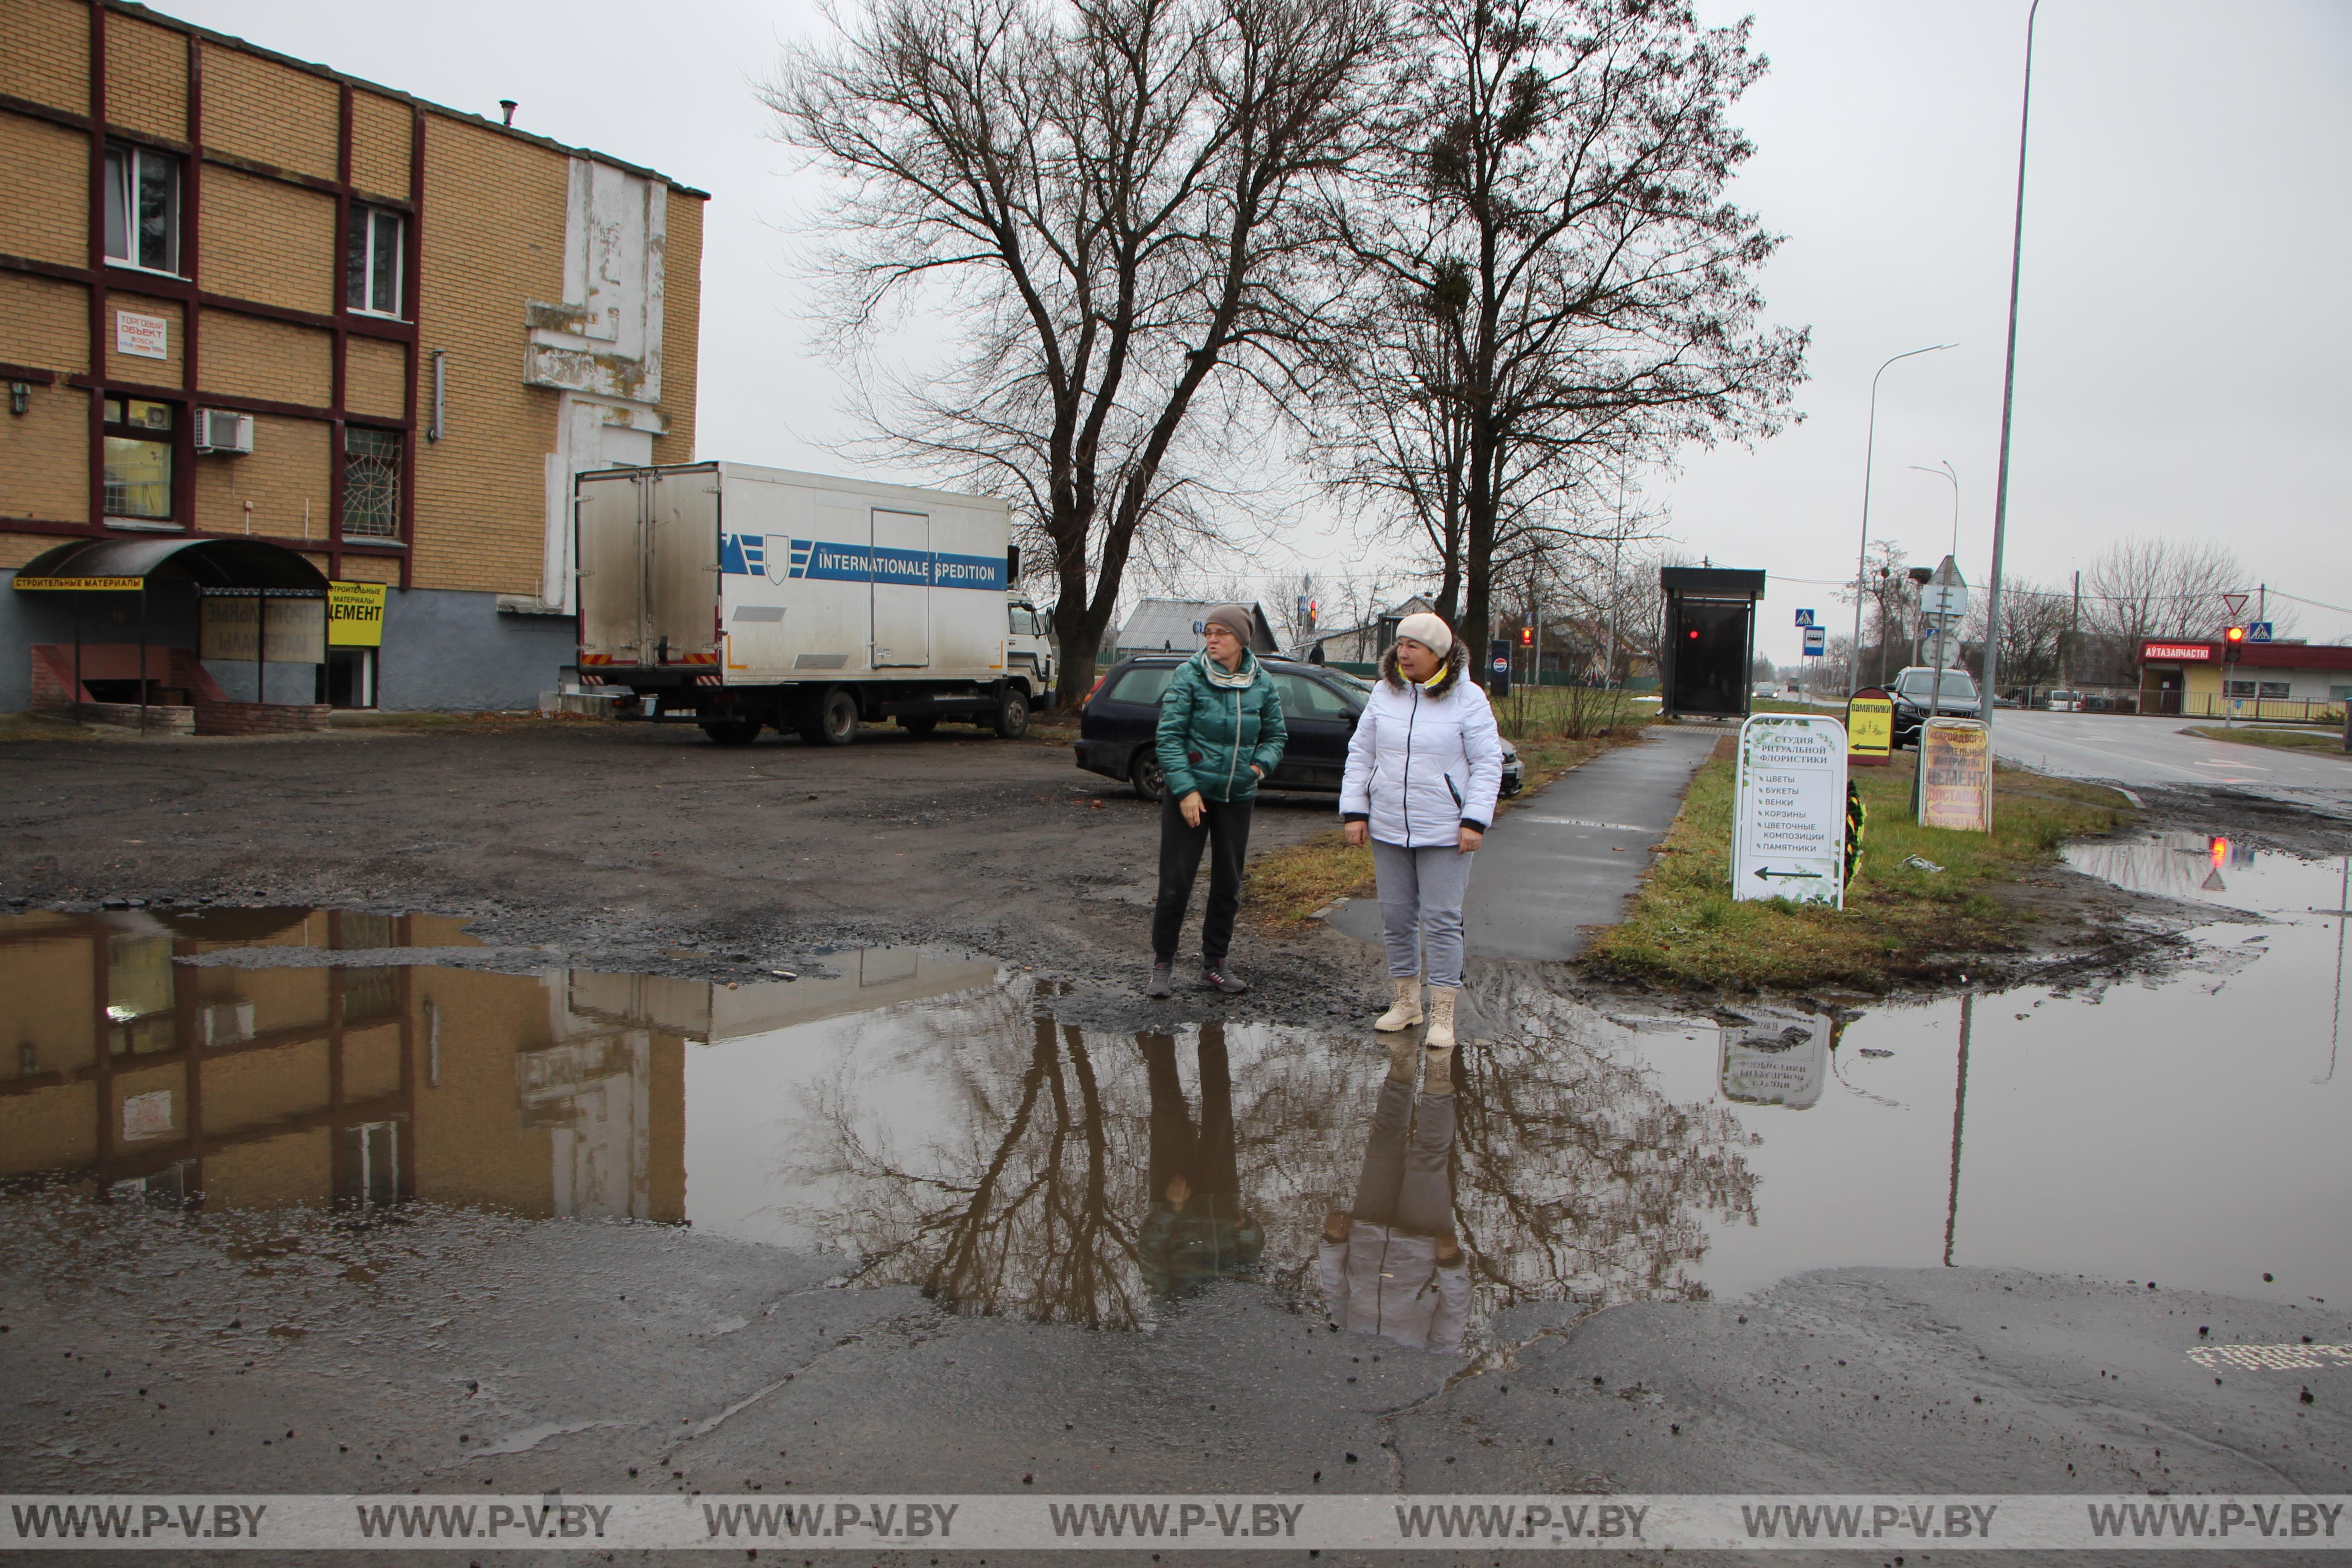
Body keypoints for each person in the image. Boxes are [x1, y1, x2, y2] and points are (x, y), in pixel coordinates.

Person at [1337, 612, 1503, 1048]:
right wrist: (1356, 811)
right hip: (1390, 825)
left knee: (1443, 919)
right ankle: (1407, 1002)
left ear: (1438, 653)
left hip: (1446, 830)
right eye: (1401, 644)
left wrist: (1474, 820)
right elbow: (1362, 753)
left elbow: (1488, 764)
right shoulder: (1383, 693)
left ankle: (1444, 1011)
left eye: (1414, 646)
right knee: (1395, 918)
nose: (1403, 653)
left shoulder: (1469, 699)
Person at [1147, 605, 1286, 996]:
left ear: (1242, 639)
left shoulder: (1262, 683)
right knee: (1176, 882)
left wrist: (1257, 769)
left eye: (1221, 633)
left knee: (1228, 883)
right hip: (1190, 794)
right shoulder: (1189, 675)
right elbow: (1169, 737)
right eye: (1208, 632)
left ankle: (1215, 964)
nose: (1212, 639)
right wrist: (1187, 791)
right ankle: (1162, 964)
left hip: (1237, 795)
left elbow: (1277, 736)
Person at [1318, 1028, 1467, 1353]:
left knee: (1384, 1144)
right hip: (1423, 1243)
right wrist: (1452, 1266)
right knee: (1428, 1158)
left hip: (1366, 1236)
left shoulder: (1345, 1350)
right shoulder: (1429, 1362)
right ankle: (1439, 1075)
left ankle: (1403, 1065)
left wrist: (1332, 1244)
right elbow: (1455, 1313)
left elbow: (1337, 1293)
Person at [1137, 1025, 1264, 1298]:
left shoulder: (1172, 1316)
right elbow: (1252, 1259)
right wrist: (1245, 1229)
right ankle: (1213, 1029)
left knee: (1167, 1109)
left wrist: (1171, 1209)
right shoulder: (1238, 1316)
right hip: (1222, 1200)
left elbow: (1150, 1255)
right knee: (1219, 1108)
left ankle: (1161, 1031)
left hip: (1175, 1201)